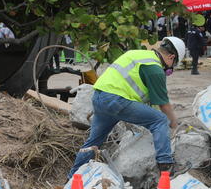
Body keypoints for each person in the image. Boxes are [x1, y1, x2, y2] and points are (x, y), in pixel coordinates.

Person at [68, 37, 185, 178]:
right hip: (117, 101)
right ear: (171, 57)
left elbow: (151, 103)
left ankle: (72, 179)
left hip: (100, 98)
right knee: (160, 120)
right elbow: (163, 105)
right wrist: (173, 123)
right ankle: (166, 167)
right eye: (172, 66)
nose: (169, 70)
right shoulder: (155, 69)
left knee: (94, 142)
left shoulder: (137, 54)